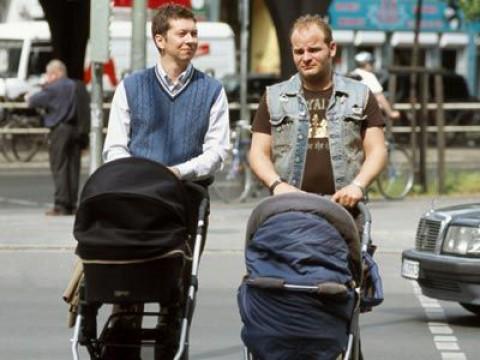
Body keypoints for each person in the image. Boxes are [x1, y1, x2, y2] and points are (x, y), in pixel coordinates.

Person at [101, 4, 229, 359]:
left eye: (193, 33)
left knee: (176, 290)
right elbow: (114, 147)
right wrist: (141, 177)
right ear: (160, 39)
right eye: (182, 33)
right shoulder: (131, 86)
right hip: (134, 199)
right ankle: (120, 344)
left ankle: (170, 346)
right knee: (127, 289)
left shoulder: (212, 91)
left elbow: (217, 152)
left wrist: (176, 172)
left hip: (184, 199)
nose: (190, 40)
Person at [249, 15, 387, 209]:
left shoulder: (360, 94)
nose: (306, 58)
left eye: (314, 50)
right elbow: (257, 153)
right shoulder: (273, 97)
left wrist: (357, 186)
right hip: (289, 207)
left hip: (345, 208)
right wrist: (277, 185)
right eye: (299, 51)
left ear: (332, 49)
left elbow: (377, 150)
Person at [26, 59, 80, 216]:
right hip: (74, 129)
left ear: (56, 73)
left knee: (59, 166)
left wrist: (40, 88)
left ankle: (61, 204)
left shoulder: (53, 87)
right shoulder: (74, 86)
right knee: (72, 168)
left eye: (49, 74)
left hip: (59, 129)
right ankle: (72, 204)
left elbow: (32, 101)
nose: (47, 77)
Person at [351, 51, 401, 121]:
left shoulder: (352, 74)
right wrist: (390, 113)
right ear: (367, 64)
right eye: (372, 63)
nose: (373, 65)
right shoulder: (368, 75)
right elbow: (379, 96)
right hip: (365, 114)